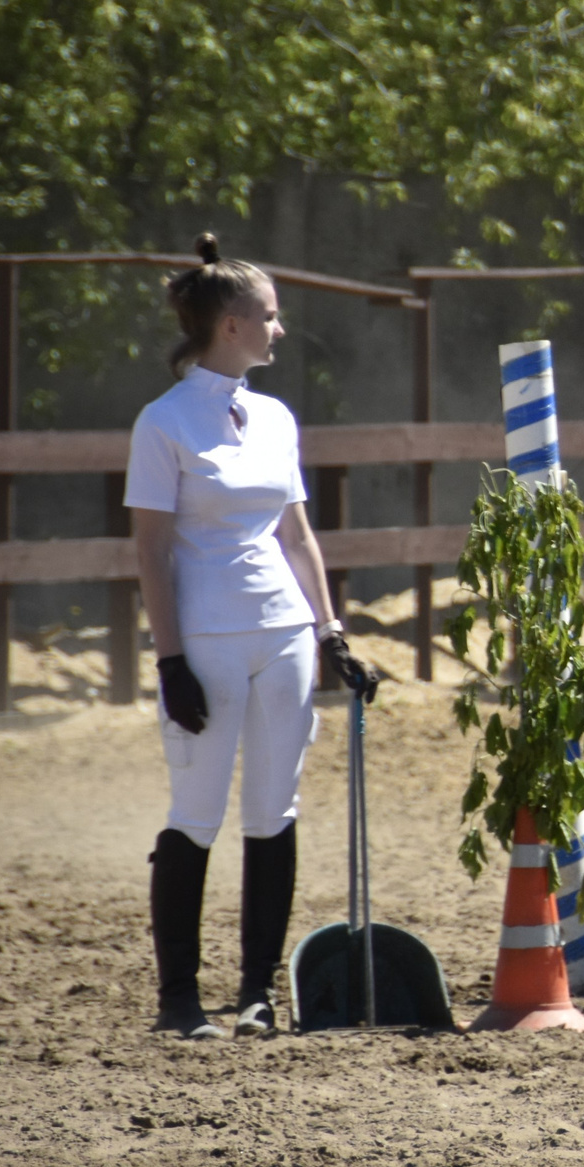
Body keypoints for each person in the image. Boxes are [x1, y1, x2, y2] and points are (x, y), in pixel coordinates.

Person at [127, 236, 384, 1040]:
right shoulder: (163, 422)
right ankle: (179, 998)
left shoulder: (274, 417)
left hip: (284, 636)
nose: (281, 328)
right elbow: (151, 551)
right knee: (196, 813)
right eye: (270, 317)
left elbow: (297, 534)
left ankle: (257, 993)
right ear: (232, 324)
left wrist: (331, 628)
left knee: (273, 810)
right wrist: (169, 659)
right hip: (206, 634)